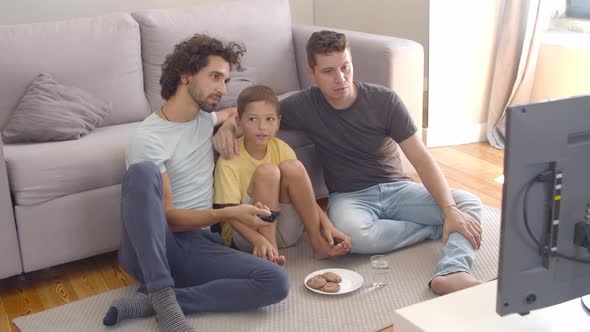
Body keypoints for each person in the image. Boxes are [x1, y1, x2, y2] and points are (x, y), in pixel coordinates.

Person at [214, 30, 484, 296]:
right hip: (350, 198)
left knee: (467, 204)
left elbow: (422, 160)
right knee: (354, 235)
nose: (340, 79)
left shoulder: (384, 100)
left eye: (346, 67)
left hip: (397, 189)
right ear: (312, 74)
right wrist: (228, 126)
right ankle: (434, 228)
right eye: (328, 71)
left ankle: (452, 270)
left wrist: (449, 209)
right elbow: (257, 114)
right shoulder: (304, 104)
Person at [102, 35, 289, 332]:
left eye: (226, 80)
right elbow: (168, 219)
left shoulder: (205, 119)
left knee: (275, 281)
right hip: (156, 246)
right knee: (141, 173)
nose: (222, 88)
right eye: (215, 77)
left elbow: (232, 114)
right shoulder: (147, 138)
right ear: (186, 75)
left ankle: (154, 302)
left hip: (199, 245)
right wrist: (229, 212)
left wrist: (228, 124)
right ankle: (164, 300)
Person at [213, 85, 352, 265]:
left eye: (269, 119)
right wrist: (258, 240)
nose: (262, 127)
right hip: (247, 236)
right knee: (268, 172)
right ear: (238, 122)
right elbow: (229, 215)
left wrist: (327, 224)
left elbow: (305, 197)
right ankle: (270, 255)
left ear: (278, 122)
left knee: (293, 167)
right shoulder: (229, 159)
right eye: (253, 119)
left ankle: (318, 244)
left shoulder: (282, 148)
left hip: (285, 229)